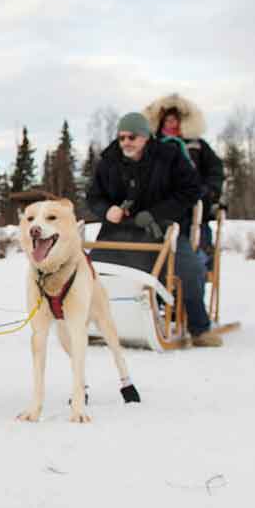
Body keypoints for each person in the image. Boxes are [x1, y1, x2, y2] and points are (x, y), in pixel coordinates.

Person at [86, 111, 220, 347]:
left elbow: (190, 191)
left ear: (146, 137)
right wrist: (107, 210)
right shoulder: (109, 160)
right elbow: (93, 196)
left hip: (161, 229)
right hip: (117, 232)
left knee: (189, 269)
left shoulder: (169, 156)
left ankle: (200, 328)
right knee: (92, 271)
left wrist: (157, 214)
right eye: (122, 138)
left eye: (132, 137)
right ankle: (89, 320)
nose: (126, 142)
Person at [142, 94, 225, 258]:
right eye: (167, 120)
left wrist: (209, 190)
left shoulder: (197, 146)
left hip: (195, 206)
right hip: (160, 206)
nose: (171, 123)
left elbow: (215, 170)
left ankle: (198, 262)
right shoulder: (150, 146)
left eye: (174, 120)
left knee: (196, 247)